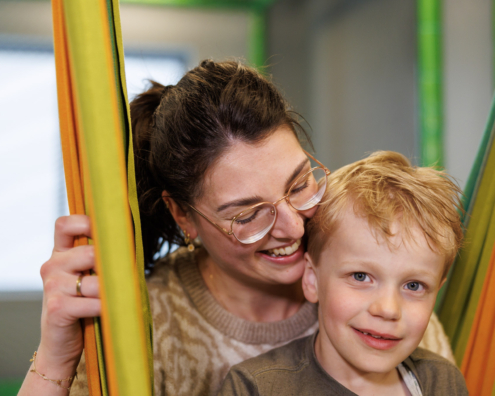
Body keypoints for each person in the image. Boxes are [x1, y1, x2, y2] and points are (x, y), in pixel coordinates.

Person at [18, 61, 454, 396]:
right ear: (183, 216)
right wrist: (56, 358)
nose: (292, 227)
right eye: (247, 215)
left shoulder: (376, 285)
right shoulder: (151, 323)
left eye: (300, 184)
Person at [219, 151, 468, 396]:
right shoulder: (256, 388)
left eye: (413, 286)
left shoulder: (443, 382)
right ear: (312, 279)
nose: (388, 309)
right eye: (360, 276)